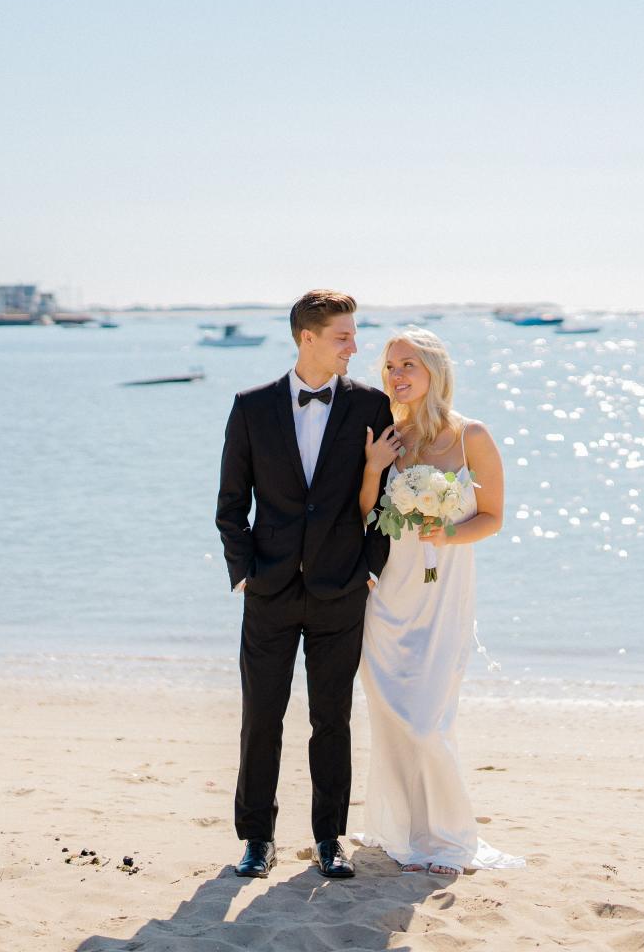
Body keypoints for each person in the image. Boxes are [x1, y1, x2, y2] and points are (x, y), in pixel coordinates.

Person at [215, 289, 394, 879]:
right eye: (343, 336)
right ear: (307, 338)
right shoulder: (251, 406)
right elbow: (230, 504)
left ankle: (328, 840)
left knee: (333, 719)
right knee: (260, 717)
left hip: (341, 590)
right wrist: (243, 572)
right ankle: (256, 840)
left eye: (354, 334)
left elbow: (387, 498)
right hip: (268, 590)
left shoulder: (371, 405)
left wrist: (370, 567)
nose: (354, 346)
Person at [355, 327, 525, 875]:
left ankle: (447, 837)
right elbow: (359, 515)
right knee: (391, 716)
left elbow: (494, 517)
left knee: (428, 719)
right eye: (389, 366)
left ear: (435, 372)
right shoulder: (385, 436)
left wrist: (447, 534)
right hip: (387, 599)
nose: (396, 376)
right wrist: (375, 469)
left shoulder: (470, 435)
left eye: (407, 366)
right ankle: (401, 829)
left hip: (445, 595)